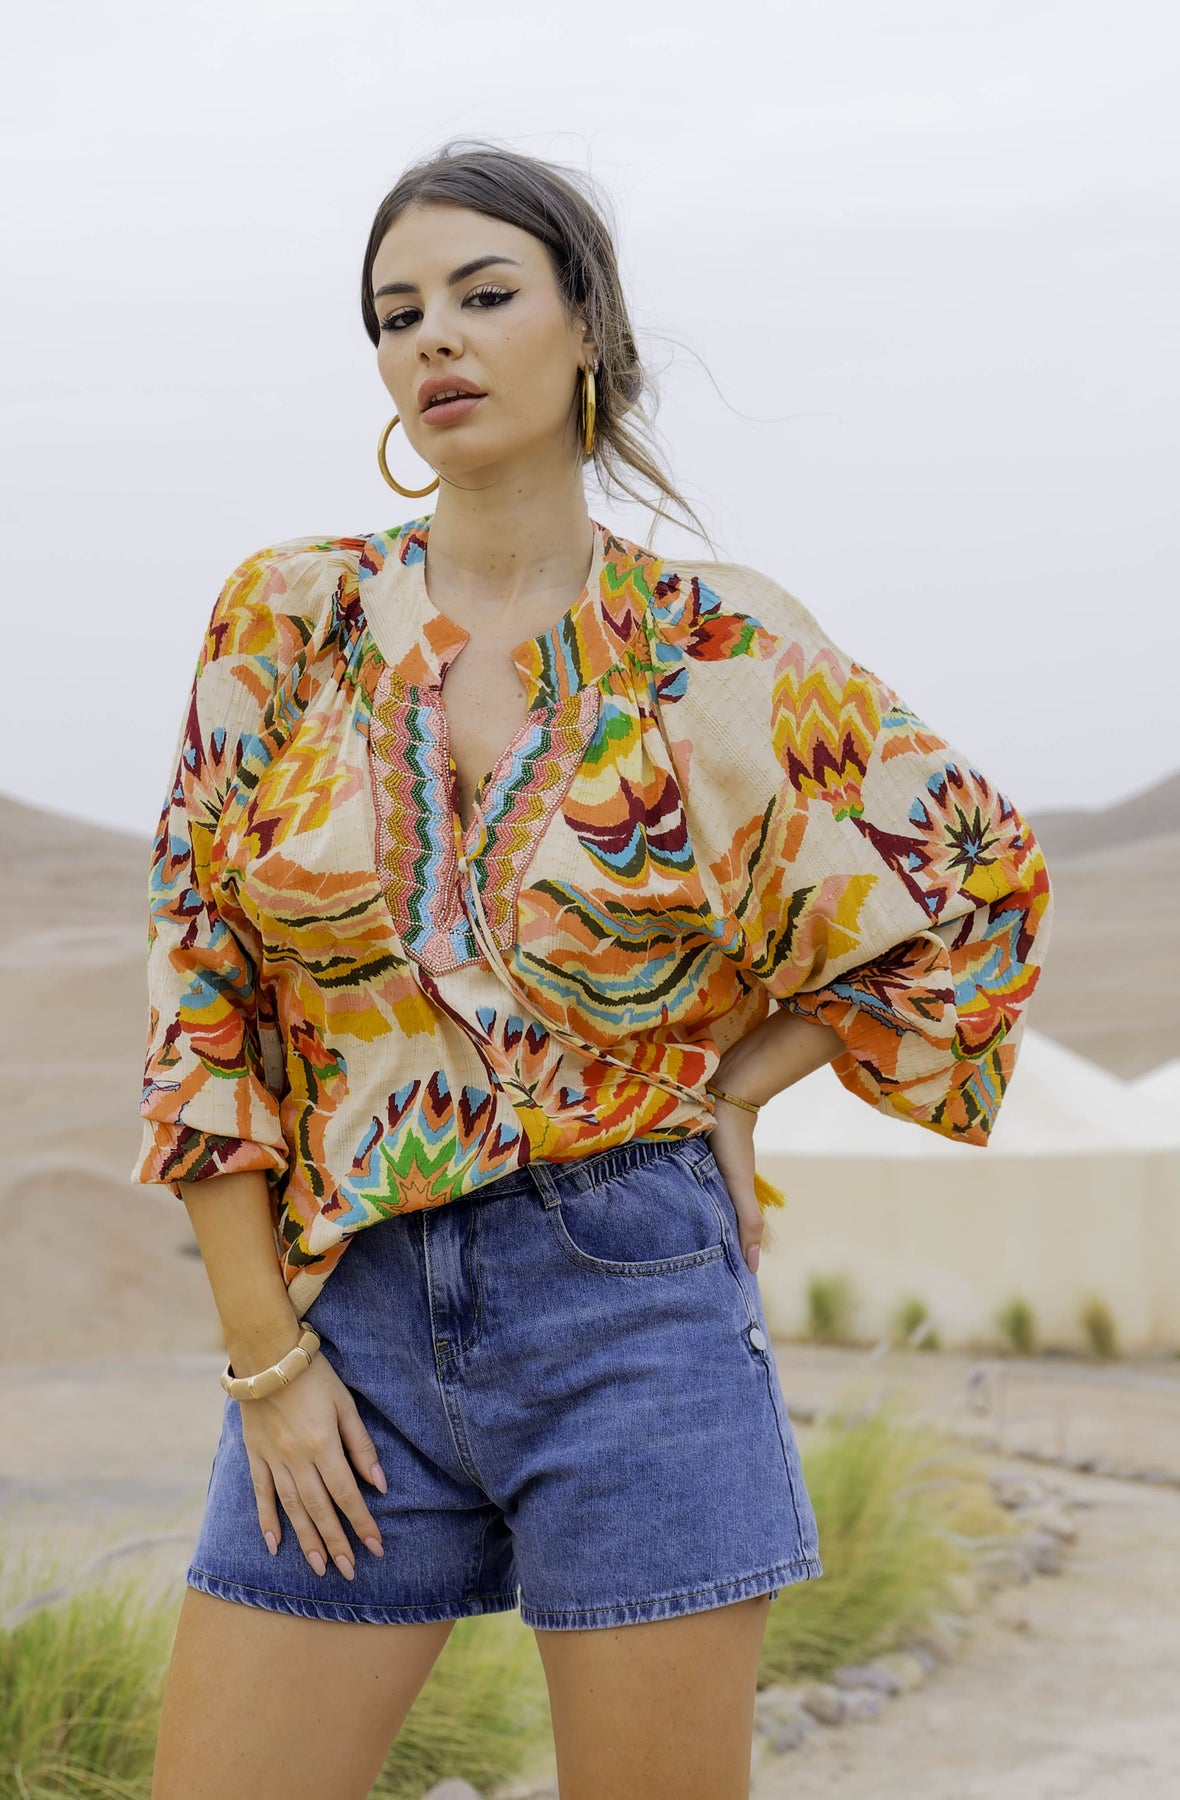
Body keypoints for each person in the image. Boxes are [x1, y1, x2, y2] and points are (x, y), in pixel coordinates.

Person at [134, 140, 1053, 1800]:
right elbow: (199, 994)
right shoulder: (286, 620)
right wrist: (264, 1357)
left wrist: (738, 1089)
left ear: (590, 331)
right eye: (396, 313)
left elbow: (971, 876)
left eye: (483, 294)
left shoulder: (719, 644)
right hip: (349, 1314)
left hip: (637, 1301)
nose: (434, 337)